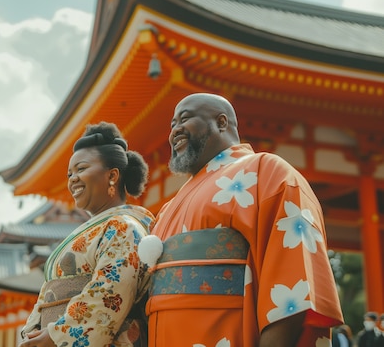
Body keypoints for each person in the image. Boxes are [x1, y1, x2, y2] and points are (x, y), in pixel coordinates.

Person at [142, 93, 343, 346]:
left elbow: (294, 288)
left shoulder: (266, 172)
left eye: (185, 118)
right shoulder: (169, 207)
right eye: (171, 125)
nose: (174, 131)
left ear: (222, 122)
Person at [18, 122, 155, 347]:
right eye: (70, 173)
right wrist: (31, 331)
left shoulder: (124, 228)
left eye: (81, 169)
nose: (72, 179)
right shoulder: (93, 229)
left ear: (112, 176)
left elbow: (109, 296)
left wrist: (56, 336)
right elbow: (45, 296)